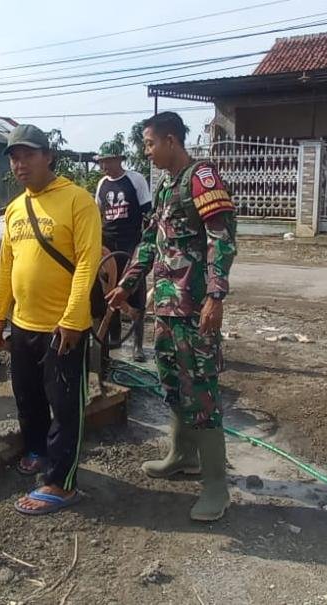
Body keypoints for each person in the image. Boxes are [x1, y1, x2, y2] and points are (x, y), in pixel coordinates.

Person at [106, 112, 237, 521]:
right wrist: (127, 283)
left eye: (148, 143)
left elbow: (223, 241)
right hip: (165, 305)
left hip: (195, 308)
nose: (146, 151)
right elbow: (150, 241)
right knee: (171, 381)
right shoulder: (165, 187)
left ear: (170, 140)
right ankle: (183, 455)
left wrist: (216, 296)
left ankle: (217, 486)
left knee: (201, 389)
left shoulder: (202, 178)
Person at [0, 124, 102, 516]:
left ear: (48, 157)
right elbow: (7, 264)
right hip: (23, 324)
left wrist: (72, 317)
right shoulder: (16, 207)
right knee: (28, 396)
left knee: (66, 406)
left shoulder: (77, 200)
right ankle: (36, 450)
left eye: (28, 155)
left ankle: (61, 483)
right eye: (14, 157)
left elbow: (88, 260)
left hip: (63, 328)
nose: (20, 164)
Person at [94, 144, 152, 362]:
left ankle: (138, 346)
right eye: (101, 162)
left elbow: (148, 213)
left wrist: (145, 242)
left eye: (107, 161)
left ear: (119, 160)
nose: (104, 166)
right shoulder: (102, 184)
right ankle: (114, 339)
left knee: (134, 290)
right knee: (110, 290)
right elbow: (96, 213)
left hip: (131, 243)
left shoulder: (135, 179)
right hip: (109, 244)